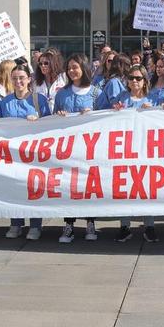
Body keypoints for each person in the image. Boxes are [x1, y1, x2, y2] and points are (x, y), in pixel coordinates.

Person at [0, 63, 51, 240]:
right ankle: (15, 223)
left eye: (22, 78)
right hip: (13, 154)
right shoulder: (6, 101)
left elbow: (50, 123)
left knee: (34, 188)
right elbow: (0, 124)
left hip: (33, 153)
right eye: (15, 78)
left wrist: (38, 120)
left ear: (29, 79)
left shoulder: (39, 100)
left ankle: (35, 225)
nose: (18, 81)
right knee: (14, 187)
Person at [54, 54, 102, 243]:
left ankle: (90, 223)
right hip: (68, 150)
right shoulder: (62, 93)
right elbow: (52, 120)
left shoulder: (96, 92)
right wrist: (59, 115)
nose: (72, 71)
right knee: (70, 187)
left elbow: (107, 119)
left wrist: (93, 115)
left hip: (90, 149)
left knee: (88, 187)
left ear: (83, 68)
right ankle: (69, 225)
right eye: (69, 68)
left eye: (75, 67)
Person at [112, 65, 159, 243]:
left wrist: (155, 110)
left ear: (145, 80)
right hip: (125, 150)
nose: (134, 81)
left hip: (148, 151)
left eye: (138, 78)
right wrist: (114, 111)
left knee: (146, 189)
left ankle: (149, 225)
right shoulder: (121, 98)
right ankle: (125, 226)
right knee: (125, 189)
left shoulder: (153, 98)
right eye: (131, 78)